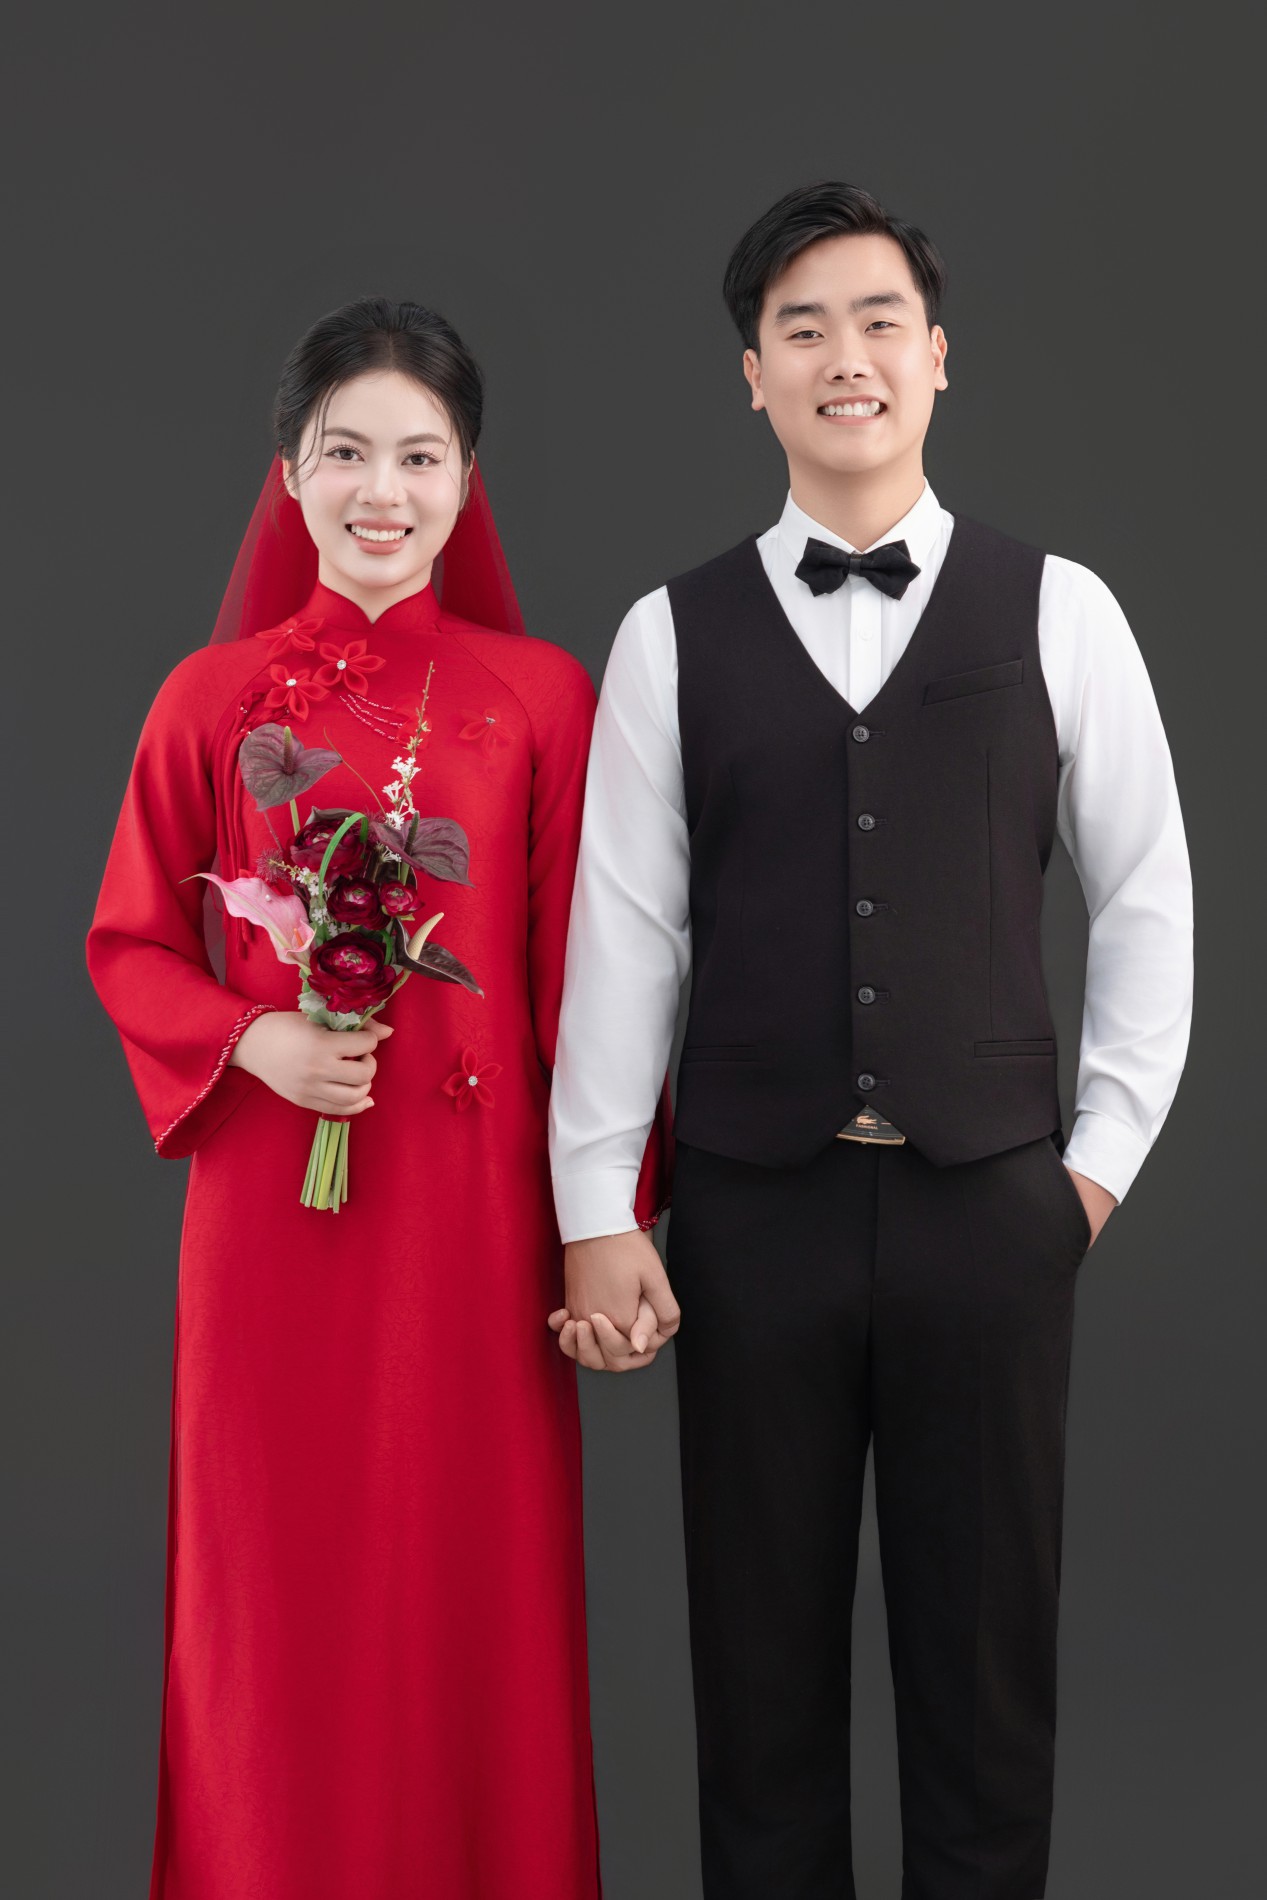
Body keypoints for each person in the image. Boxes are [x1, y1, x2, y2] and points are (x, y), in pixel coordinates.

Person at [547, 183, 1193, 1898]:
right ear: (752, 375)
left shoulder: (1063, 608)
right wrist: (598, 1205)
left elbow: (1149, 901)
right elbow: (625, 935)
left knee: (986, 1695)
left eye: (880, 320)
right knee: (758, 1696)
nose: (848, 356)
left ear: (939, 356)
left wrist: (1089, 1176)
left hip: (994, 1212)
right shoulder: (668, 634)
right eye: (805, 328)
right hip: (752, 1216)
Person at [88, 296, 667, 1900]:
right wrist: (252, 1038)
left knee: (468, 1590)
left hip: (473, 1232)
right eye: (345, 453)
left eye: (420, 456)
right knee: (272, 1604)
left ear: (469, 483)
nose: (381, 491)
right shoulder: (209, 700)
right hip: (270, 1234)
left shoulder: (541, 697)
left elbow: (594, 988)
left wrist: (605, 1223)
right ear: (289, 474)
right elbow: (130, 939)